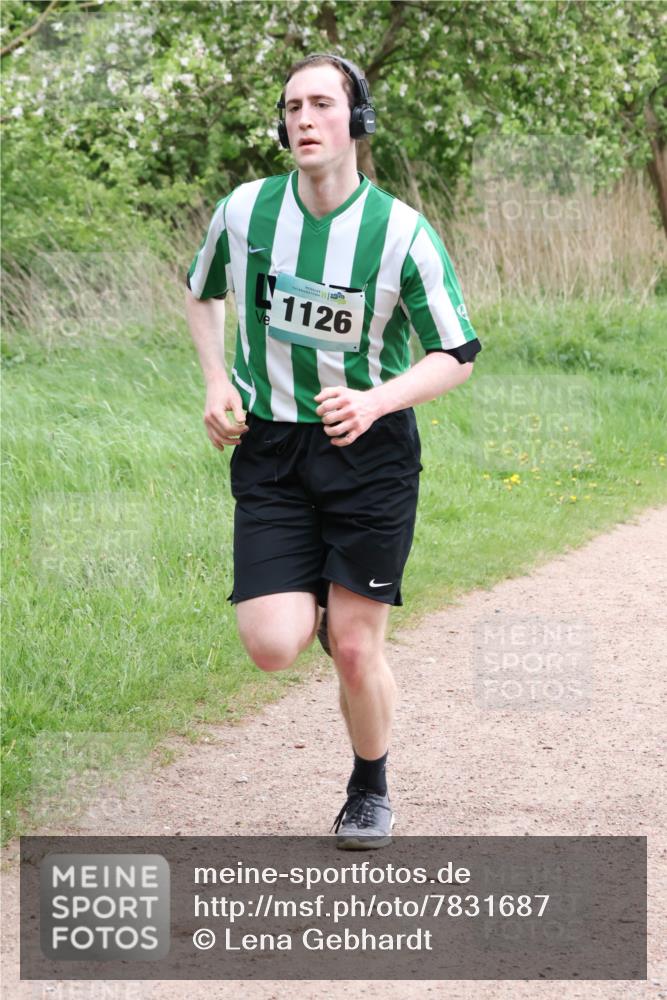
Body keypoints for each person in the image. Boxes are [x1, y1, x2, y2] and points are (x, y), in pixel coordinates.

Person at [185, 53, 481, 850]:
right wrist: (217, 381)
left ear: (357, 121)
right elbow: (201, 288)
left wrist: (376, 398)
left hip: (368, 450)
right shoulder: (245, 211)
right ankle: (326, 604)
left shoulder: (400, 232)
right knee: (273, 645)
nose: (304, 119)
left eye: (322, 104)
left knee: (354, 647)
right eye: (291, 107)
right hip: (272, 448)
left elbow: (454, 351)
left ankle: (368, 787)